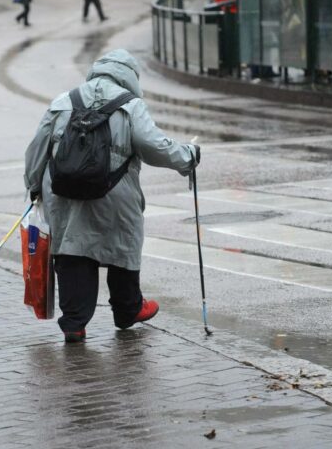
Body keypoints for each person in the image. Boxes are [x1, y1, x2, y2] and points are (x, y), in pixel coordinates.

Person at [24, 49, 200, 343]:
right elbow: (153, 145)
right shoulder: (131, 106)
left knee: (71, 247)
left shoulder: (63, 101)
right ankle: (128, 310)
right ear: (130, 76)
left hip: (63, 193)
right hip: (114, 194)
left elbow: (36, 148)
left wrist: (34, 187)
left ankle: (75, 323)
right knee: (122, 244)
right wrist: (188, 157)